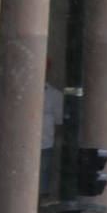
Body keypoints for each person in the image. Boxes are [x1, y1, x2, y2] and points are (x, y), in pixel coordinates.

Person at [40, 68, 62, 199]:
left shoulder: (55, 95)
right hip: (25, 145)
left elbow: (59, 122)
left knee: (43, 182)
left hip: (45, 144)